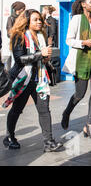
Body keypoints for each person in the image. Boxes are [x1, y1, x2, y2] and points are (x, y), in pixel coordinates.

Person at [3, 9, 63, 152]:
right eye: (35, 20)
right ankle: (9, 137)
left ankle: (49, 142)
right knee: (17, 109)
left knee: (44, 110)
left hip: (39, 80)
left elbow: (40, 56)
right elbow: (20, 59)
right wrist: (39, 54)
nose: (39, 22)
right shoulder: (20, 36)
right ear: (27, 21)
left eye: (40, 20)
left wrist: (45, 57)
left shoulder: (41, 35)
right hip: (23, 79)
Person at [61, 0, 91, 139]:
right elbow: (69, 40)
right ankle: (67, 112)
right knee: (80, 94)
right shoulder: (77, 19)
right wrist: (83, 43)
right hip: (81, 59)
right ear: (83, 4)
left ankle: (89, 125)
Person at [42, 5, 60, 85]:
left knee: (50, 60)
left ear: (46, 10)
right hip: (45, 42)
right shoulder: (44, 19)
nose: (42, 11)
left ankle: (52, 78)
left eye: (43, 10)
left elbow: (53, 31)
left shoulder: (51, 20)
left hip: (49, 43)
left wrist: (50, 40)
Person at [6, 2, 26, 70]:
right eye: (23, 8)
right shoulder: (11, 18)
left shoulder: (23, 18)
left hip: (23, 42)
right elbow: (9, 33)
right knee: (15, 61)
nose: (24, 10)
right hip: (15, 43)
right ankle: (12, 77)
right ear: (18, 9)